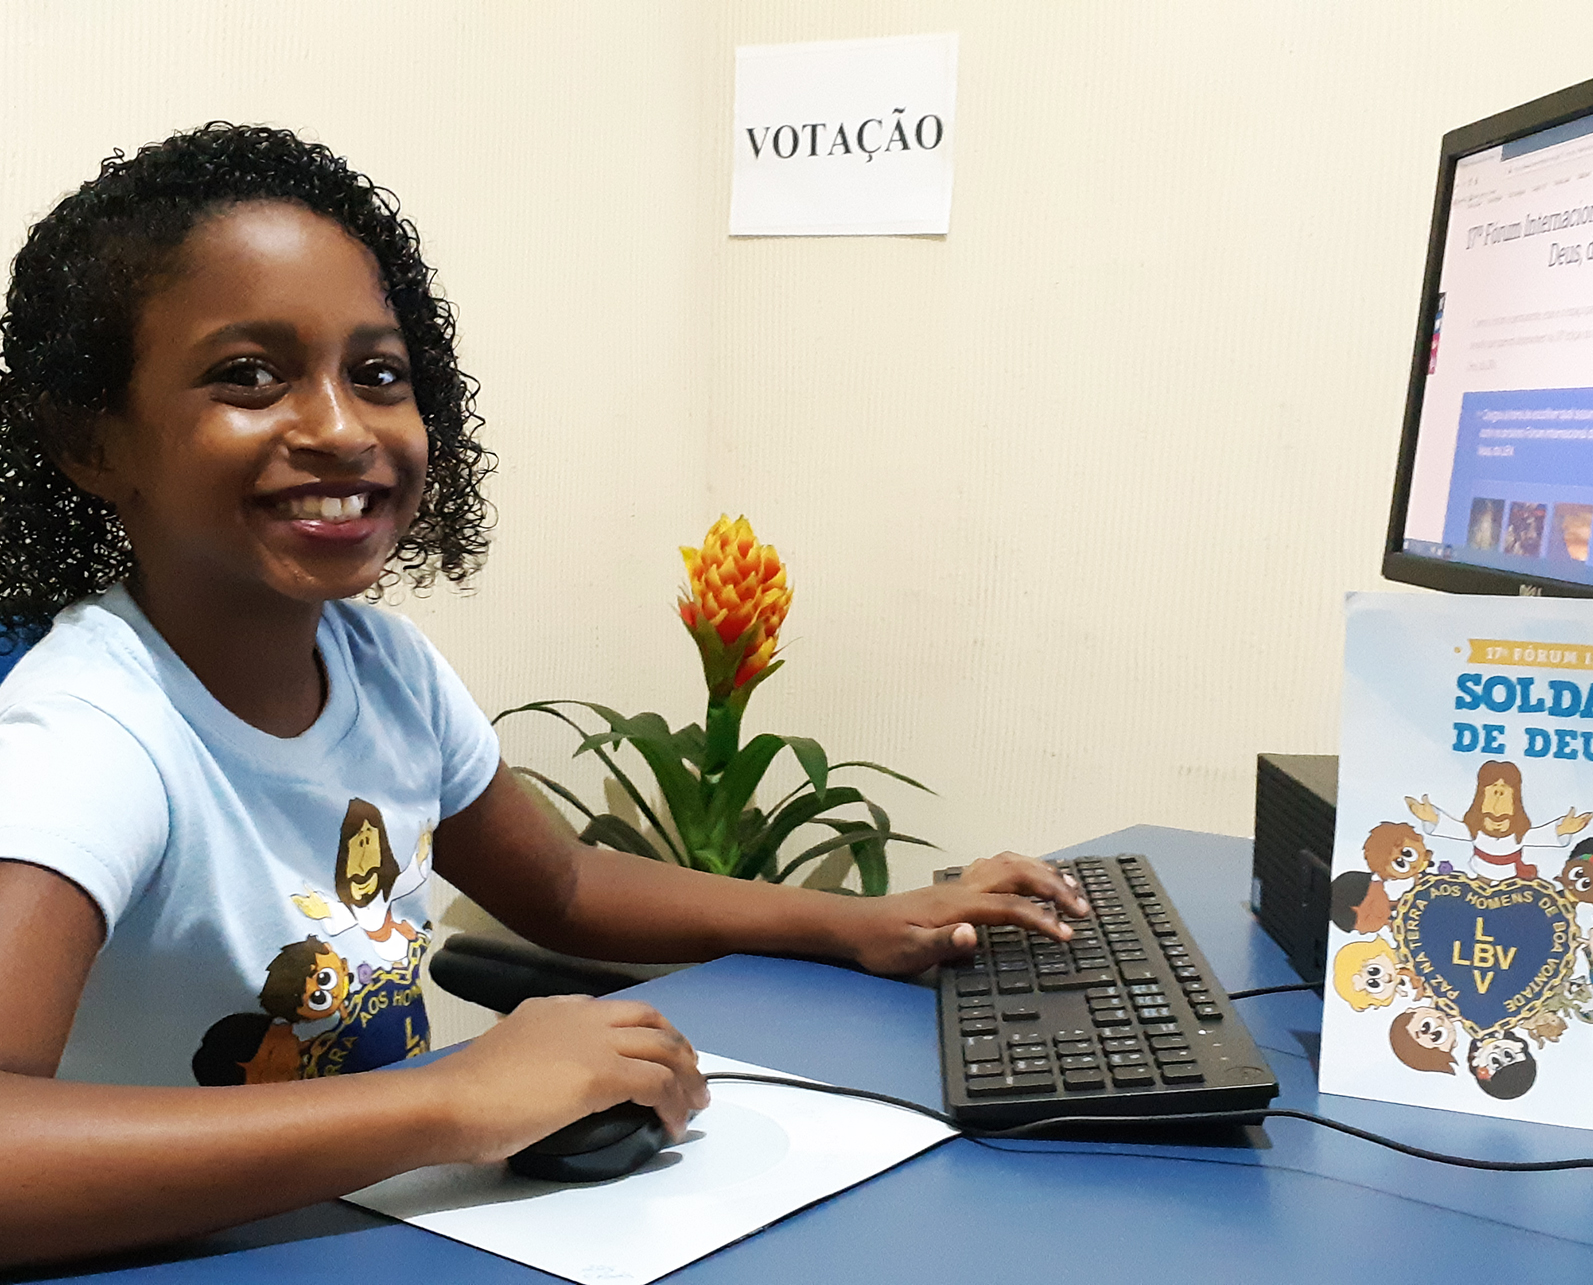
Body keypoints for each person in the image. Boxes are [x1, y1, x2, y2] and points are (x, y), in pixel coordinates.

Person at [0, 123, 1089, 1267]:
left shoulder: (385, 667)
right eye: (249, 376)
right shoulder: (91, 737)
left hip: (373, 1226)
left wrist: (862, 922)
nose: (341, 427)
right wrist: (448, 1102)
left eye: (378, 374)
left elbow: (562, 884)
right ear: (91, 439)